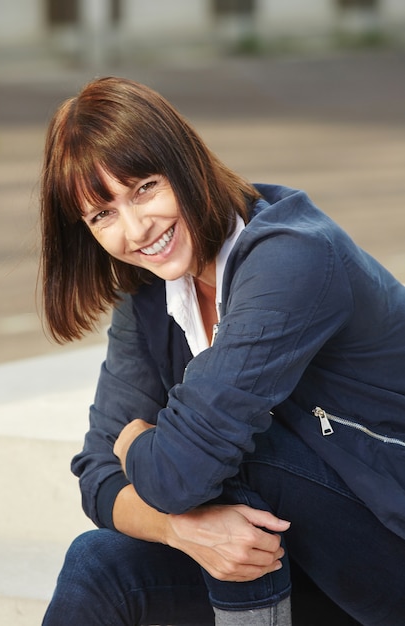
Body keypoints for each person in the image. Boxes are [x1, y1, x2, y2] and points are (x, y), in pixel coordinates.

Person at [39, 77, 405, 626]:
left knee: (240, 454)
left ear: (185, 164)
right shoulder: (148, 294)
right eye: (103, 215)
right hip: (298, 562)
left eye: (144, 188)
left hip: (387, 543)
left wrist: (138, 440)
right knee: (98, 565)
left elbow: (177, 473)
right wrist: (180, 529)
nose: (136, 230)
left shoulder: (293, 257)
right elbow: (96, 472)